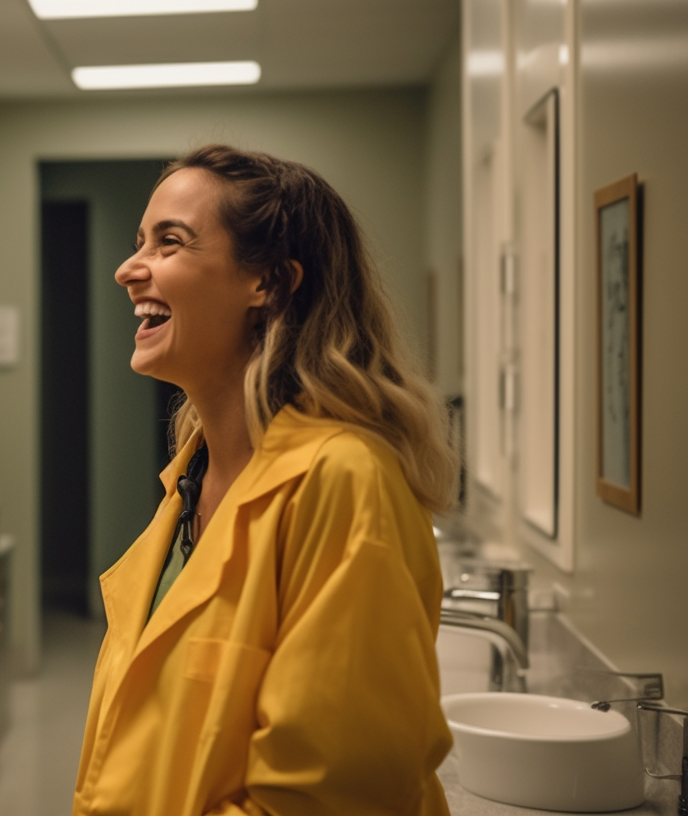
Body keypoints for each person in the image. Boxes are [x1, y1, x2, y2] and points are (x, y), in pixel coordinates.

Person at [73, 144, 458, 816]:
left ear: (271, 283)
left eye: (170, 242)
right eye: (140, 242)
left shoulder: (344, 482)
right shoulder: (191, 477)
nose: (127, 270)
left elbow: (332, 796)